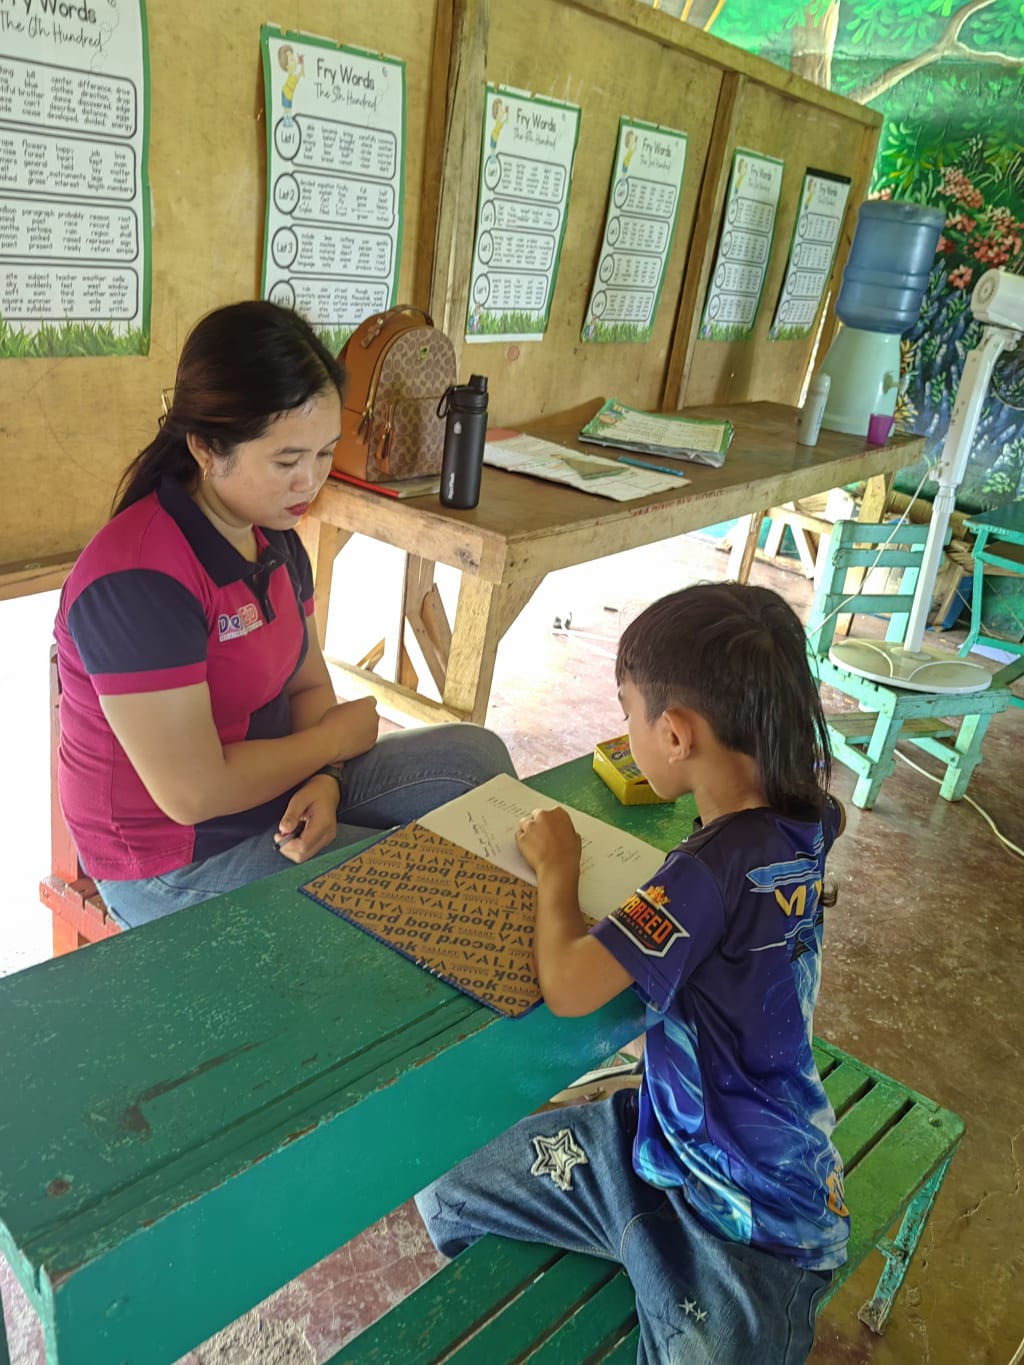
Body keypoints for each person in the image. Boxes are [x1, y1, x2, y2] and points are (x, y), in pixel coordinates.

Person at [416, 583, 848, 1365]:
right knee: (445, 1185)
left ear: (675, 734)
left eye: (628, 713)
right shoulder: (808, 814)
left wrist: (558, 866)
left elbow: (570, 982)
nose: (625, 733)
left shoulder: (706, 870)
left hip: (751, 1228)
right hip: (655, 1148)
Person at [54, 300, 514, 929]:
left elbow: (307, 684)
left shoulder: (274, 538)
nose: (311, 481)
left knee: (475, 762)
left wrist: (326, 777)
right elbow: (193, 793)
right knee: (418, 890)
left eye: (325, 454)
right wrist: (331, 744)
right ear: (206, 447)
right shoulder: (138, 579)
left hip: (279, 790)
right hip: (174, 859)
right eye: (287, 460)